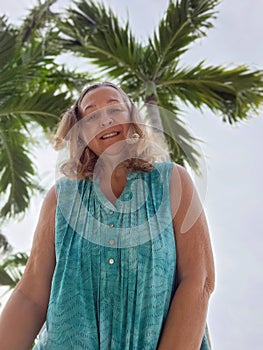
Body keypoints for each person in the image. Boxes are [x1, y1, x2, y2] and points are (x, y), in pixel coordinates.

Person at [0, 82, 215, 350]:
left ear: (132, 119)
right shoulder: (61, 198)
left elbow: (199, 279)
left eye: (115, 108)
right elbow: (30, 295)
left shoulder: (172, 180)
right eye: (91, 115)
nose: (106, 119)